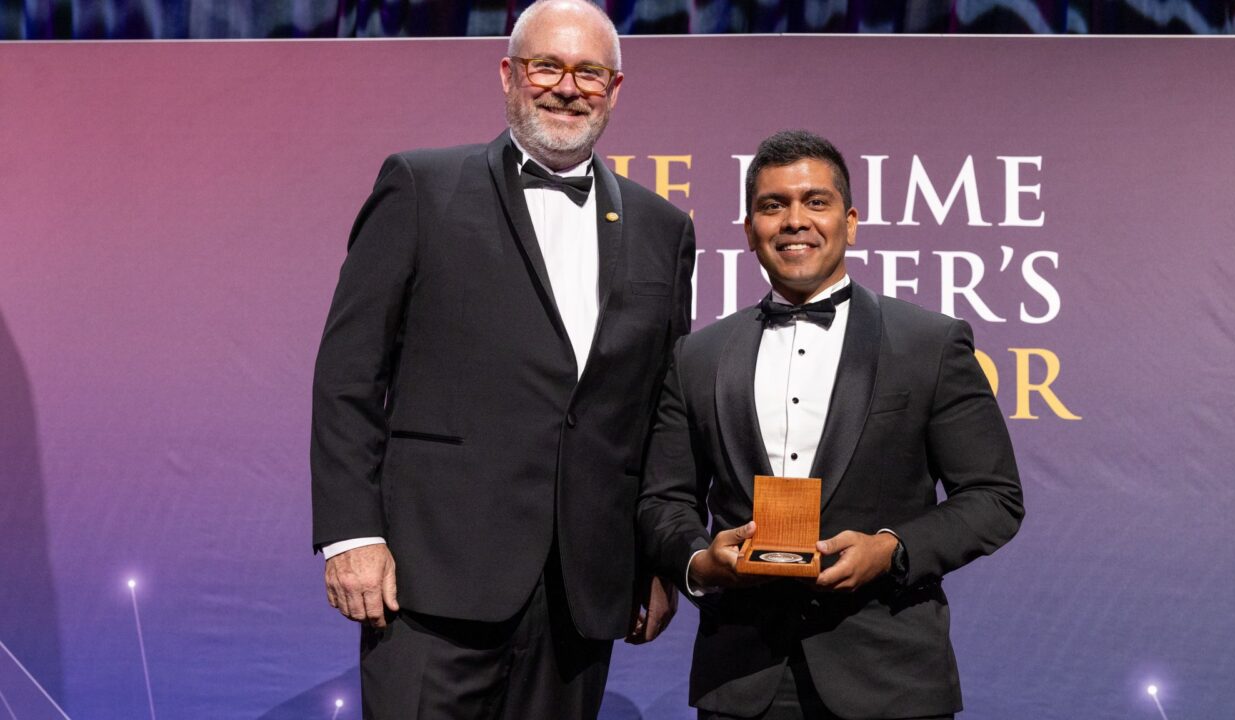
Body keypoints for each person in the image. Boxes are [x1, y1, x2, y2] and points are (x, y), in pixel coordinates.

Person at [310, 1, 694, 716]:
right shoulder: (421, 186)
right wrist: (351, 535)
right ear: (509, 74)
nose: (567, 88)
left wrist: (656, 557)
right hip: (429, 580)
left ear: (615, 89)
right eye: (547, 66)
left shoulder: (662, 227)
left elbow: (661, 412)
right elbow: (349, 376)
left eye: (589, 72)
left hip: (583, 590)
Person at [637, 130, 1024, 720]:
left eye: (815, 202)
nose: (795, 220)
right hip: (741, 677)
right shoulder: (698, 357)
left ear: (850, 222)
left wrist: (890, 549)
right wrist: (700, 563)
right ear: (749, 231)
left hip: (890, 677)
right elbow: (663, 500)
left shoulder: (929, 344)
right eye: (773, 205)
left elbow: (994, 497)